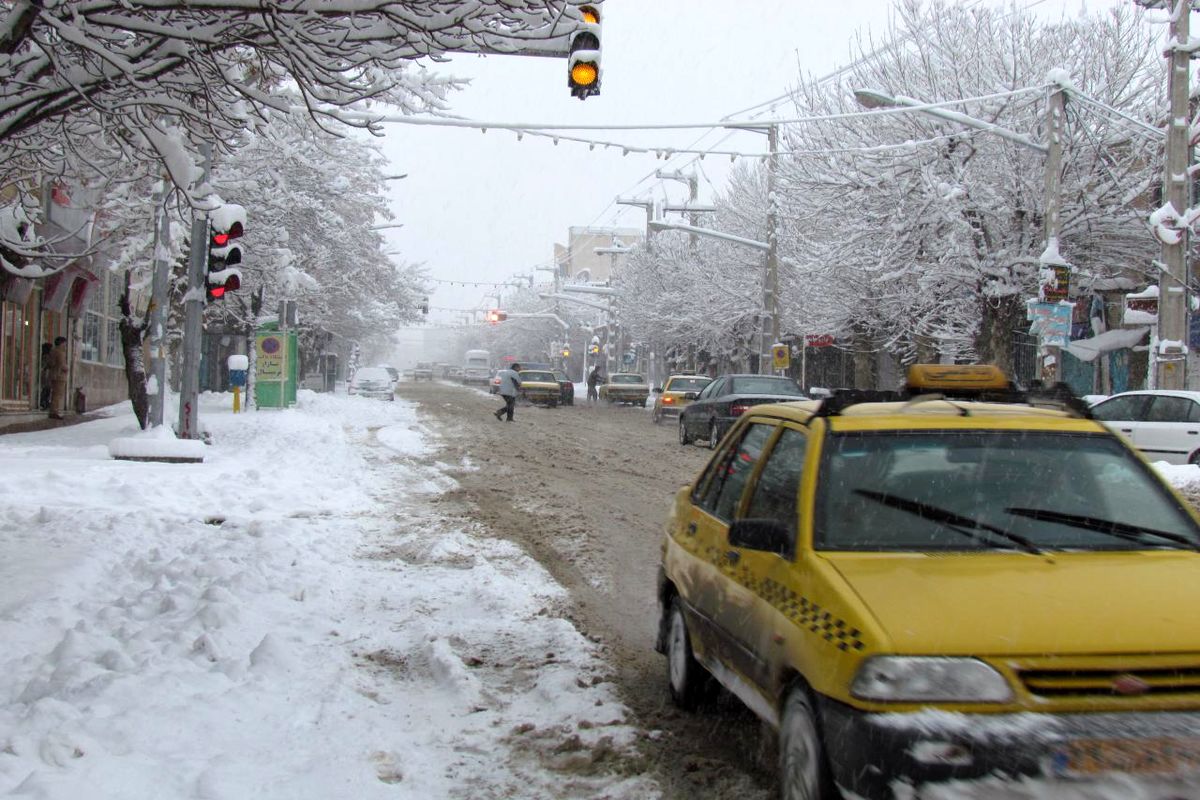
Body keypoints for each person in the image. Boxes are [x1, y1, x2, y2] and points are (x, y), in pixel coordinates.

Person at [47, 336, 68, 420]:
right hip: (59, 376)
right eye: (64, 343)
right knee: (57, 394)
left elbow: (51, 363)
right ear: (61, 343)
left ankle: (54, 410)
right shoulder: (59, 352)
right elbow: (61, 364)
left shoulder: (54, 351)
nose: (65, 345)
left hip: (55, 375)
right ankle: (54, 411)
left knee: (56, 394)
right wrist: (65, 368)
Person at [38, 342, 52, 410]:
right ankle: (44, 402)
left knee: (46, 389)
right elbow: (44, 366)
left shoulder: (45, 356)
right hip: (46, 374)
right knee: (46, 389)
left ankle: (44, 402)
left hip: (46, 374)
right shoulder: (46, 356)